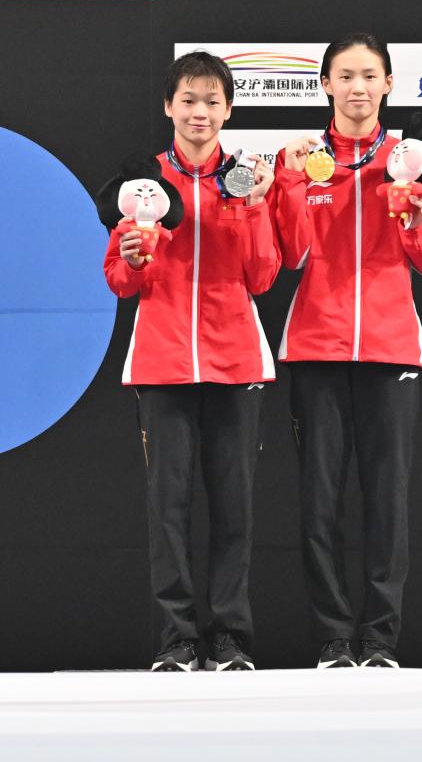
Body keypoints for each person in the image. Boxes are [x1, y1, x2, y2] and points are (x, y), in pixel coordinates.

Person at [273, 34, 422, 669]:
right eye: (345, 75)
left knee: (387, 501)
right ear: (325, 84)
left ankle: (379, 640)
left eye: (369, 75)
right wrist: (293, 183)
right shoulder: (301, 159)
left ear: (388, 84)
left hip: (390, 347)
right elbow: (291, 255)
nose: (357, 87)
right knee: (320, 503)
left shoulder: (409, 159)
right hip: (315, 347)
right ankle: (331, 637)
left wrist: (416, 222)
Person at [101, 51, 280, 672]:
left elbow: (263, 275)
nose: (199, 112)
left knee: (235, 507)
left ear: (228, 110)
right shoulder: (143, 184)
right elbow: (119, 279)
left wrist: (252, 206)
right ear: (168, 106)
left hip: (237, 363)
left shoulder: (247, 179)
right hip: (162, 362)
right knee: (168, 507)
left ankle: (230, 636)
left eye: (212, 101)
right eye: (188, 100)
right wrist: (132, 258)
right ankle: (176, 637)